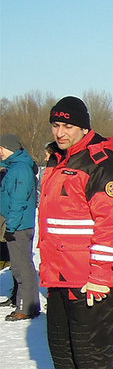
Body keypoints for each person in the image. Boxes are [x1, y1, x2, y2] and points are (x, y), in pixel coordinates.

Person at [35, 96, 113, 369]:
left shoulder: (101, 162)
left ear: (84, 127)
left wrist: (100, 275)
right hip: (57, 271)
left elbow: (112, 222)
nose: (61, 132)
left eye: (68, 126)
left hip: (89, 273)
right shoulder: (56, 160)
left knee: (91, 342)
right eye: (56, 125)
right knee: (61, 341)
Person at [0, 133, 40, 320]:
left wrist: (11, 227)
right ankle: (23, 302)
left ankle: (26, 308)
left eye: (2, 148)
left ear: (11, 149)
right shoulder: (15, 167)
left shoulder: (20, 169)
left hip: (20, 226)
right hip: (18, 223)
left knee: (21, 266)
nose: (0, 152)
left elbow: (19, 200)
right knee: (19, 265)